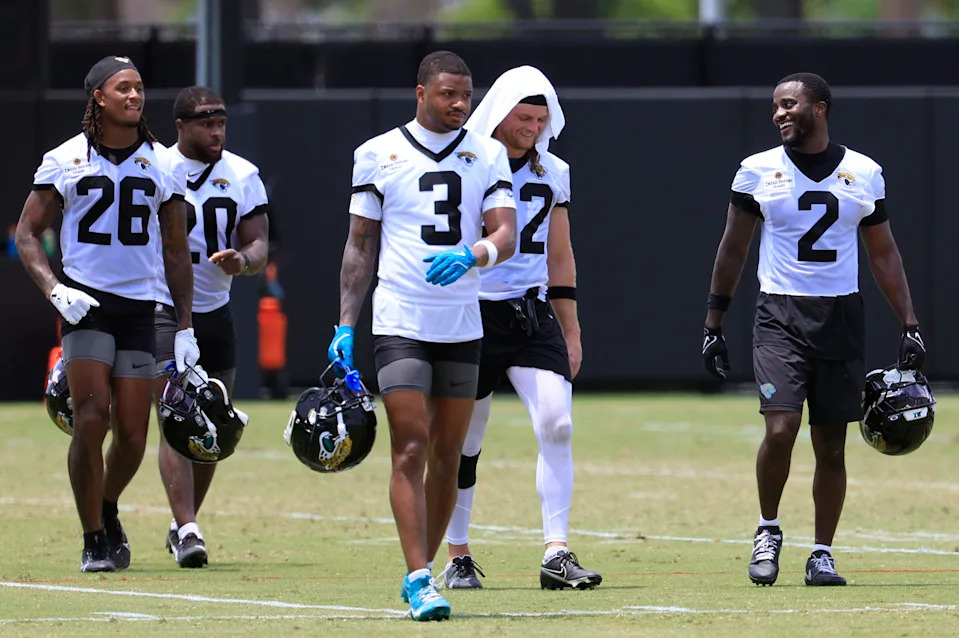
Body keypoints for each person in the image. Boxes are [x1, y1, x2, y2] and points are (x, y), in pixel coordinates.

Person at [702, 72, 927, 587]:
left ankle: (822, 552)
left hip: (841, 316)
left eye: (789, 104)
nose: (780, 113)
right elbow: (732, 248)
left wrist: (910, 324)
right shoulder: (757, 170)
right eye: (775, 106)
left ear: (819, 108)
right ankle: (767, 529)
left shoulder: (864, 172)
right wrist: (714, 322)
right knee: (780, 429)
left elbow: (883, 253)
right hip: (780, 314)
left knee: (831, 446)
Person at [329, 50, 516, 621]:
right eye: (447, 94)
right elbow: (361, 246)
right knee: (409, 445)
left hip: (461, 321)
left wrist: (474, 252)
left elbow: (504, 233)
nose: (459, 105)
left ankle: (424, 574)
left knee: (448, 454)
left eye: (466, 95)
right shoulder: (378, 154)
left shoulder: (488, 153)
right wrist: (344, 324)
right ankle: (417, 576)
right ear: (420, 93)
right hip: (401, 319)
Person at [15, 56, 198, 573]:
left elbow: (176, 248)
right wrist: (55, 290)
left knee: (134, 434)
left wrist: (184, 324)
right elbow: (27, 232)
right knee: (92, 419)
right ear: (98, 96)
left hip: (141, 306)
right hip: (87, 304)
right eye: (123, 88)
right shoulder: (65, 158)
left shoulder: (164, 163)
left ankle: (108, 504)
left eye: (139, 87)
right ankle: (93, 536)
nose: (135, 96)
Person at [439, 66, 601, 591]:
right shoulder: (471, 164)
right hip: (473, 310)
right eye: (523, 117)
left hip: (531, 312)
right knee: (466, 438)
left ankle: (556, 551)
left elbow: (560, 253)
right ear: (499, 114)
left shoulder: (554, 170)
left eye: (540, 118)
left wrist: (571, 329)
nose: (533, 126)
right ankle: (458, 552)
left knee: (558, 422)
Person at [153, 86, 270, 568]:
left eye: (220, 122)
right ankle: (189, 528)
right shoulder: (156, 167)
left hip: (216, 310)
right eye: (205, 123)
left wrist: (243, 260)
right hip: (161, 308)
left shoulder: (243, 174)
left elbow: (261, 243)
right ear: (181, 126)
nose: (216, 131)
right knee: (175, 418)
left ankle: (184, 524)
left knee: (213, 426)